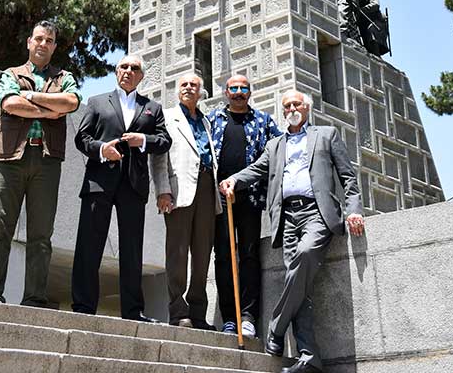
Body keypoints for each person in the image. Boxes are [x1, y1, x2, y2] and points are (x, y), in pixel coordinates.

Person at [219, 90, 365, 373]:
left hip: (317, 212)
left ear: (307, 108)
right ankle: (309, 357)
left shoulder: (327, 135)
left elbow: (347, 176)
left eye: (296, 104)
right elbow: (256, 170)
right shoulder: (275, 145)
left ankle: (275, 328)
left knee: (306, 254)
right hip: (286, 217)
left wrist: (355, 209)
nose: (291, 108)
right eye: (286, 106)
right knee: (300, 285)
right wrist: (233, 180)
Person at [0, 20, 81, 307]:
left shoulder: (64, 77)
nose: (43, 44)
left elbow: (71, 102)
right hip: (11, 158)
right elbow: (10, 104)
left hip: (47, 162)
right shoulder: (10, 74)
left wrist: (33, 97)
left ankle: (35, 298)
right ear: (29, 42)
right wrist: (49, 111)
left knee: (41, 234)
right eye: (39, 38)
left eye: (49, 40)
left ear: (54, 46)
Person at [71, 53, 171, 320]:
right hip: (98, 181)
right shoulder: (96, 102)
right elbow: (81, 138)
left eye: (134, 68)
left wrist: (143, 140)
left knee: (132, 250)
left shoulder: (152, 107)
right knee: (88, 246)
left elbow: (164, 141)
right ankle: (83, 307)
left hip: (134, 185)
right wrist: (102, 149)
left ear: (141, 75)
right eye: (123, 66)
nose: (128, 71)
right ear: (116, 72)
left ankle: (133, 311)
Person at [208, 74, 281, 338]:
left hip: (250, 200)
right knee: (224, 257)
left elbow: (280, 148)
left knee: (249, 254)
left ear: (250, 92)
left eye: (243, 88)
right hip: (219, 200)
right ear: (225, 92)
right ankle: (229, 317)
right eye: (233, 88)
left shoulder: (263, 121)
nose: (238, 92)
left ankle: (248, 317)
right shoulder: (213, 119)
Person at [151, 73, 221, 328]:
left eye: (194, 85)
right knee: (177, 253)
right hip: (179, 191)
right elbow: (159, 158)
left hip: (207, 189)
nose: (189, 88)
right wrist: (162, 190)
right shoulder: (167, 117)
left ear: (201, 91)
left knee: (203, 254)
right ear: (177, 90)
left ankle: (199, 313)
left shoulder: (207, 121)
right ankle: (178, 311)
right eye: (184, 84)